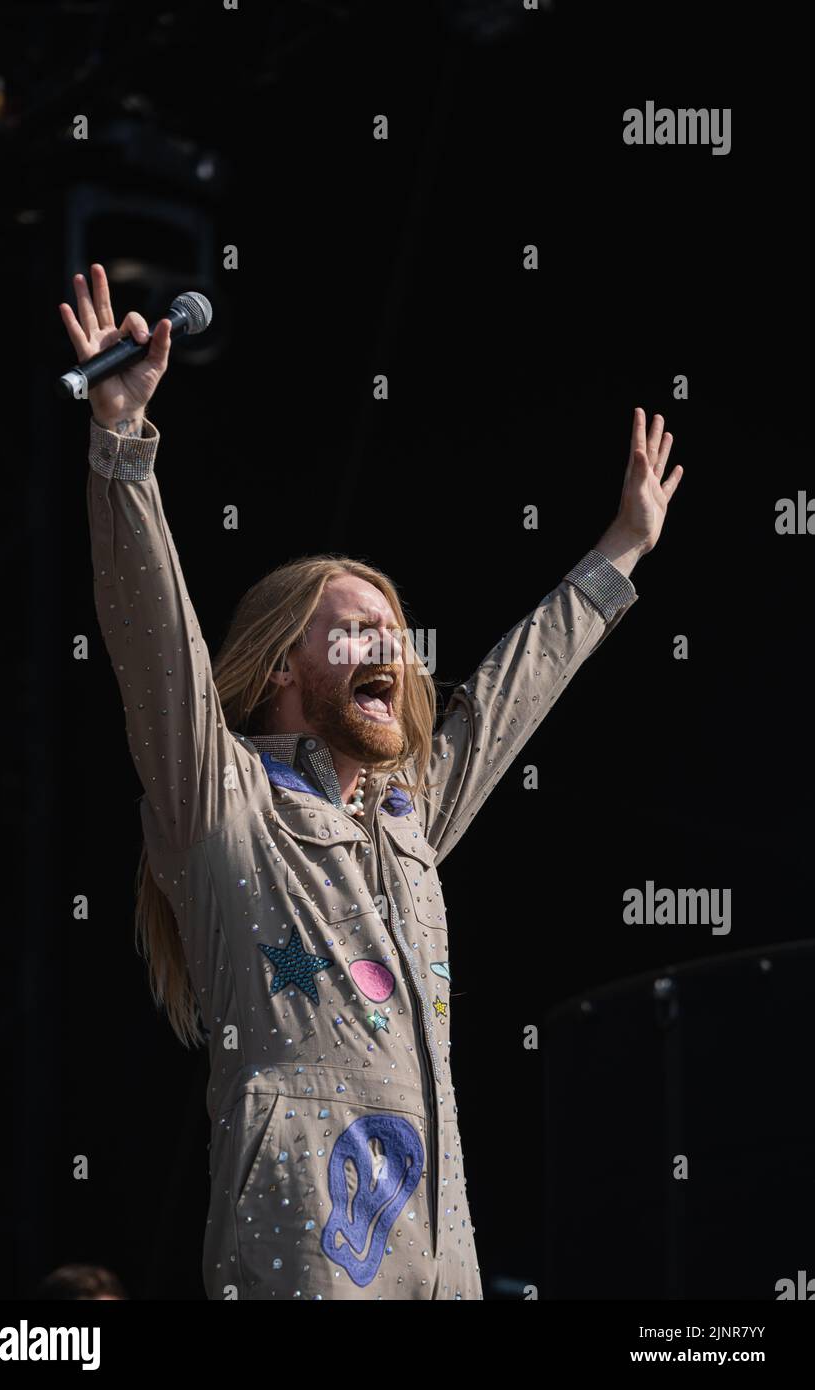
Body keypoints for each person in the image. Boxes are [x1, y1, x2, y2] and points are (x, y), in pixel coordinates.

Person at [60, 265, 683, 1301]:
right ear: (278, 671)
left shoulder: (407, 818)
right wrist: (121, 443)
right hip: (306, 1261)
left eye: (393, 630)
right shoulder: (224, 803)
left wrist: (619, 551)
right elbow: (150, 643)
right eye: (352, 627)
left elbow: (504, 701)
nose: (387, 645)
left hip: (443, 1264)